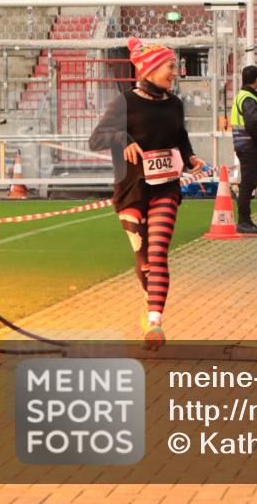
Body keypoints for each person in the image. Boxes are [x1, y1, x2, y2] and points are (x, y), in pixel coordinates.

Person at [89, 37, 204, 349]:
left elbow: (181, 137)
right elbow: (96, 139)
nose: (175, 71)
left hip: (166, 187)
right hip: (131, 191)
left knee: (158, 254)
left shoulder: (175, 104)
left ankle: (155, 322)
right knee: (144, 262)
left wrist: (191, 157)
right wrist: (123, 139)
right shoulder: (124, 103)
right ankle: (149, 294)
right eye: (170, 66)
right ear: (151, 69)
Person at [230, 64, 257, 234]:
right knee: (248, 183)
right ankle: (244, 221)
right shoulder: (249, 99)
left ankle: (244, 219)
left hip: (243, 145)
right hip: (249, 146)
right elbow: (253, 124)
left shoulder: (241, 96)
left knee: (247, 183)